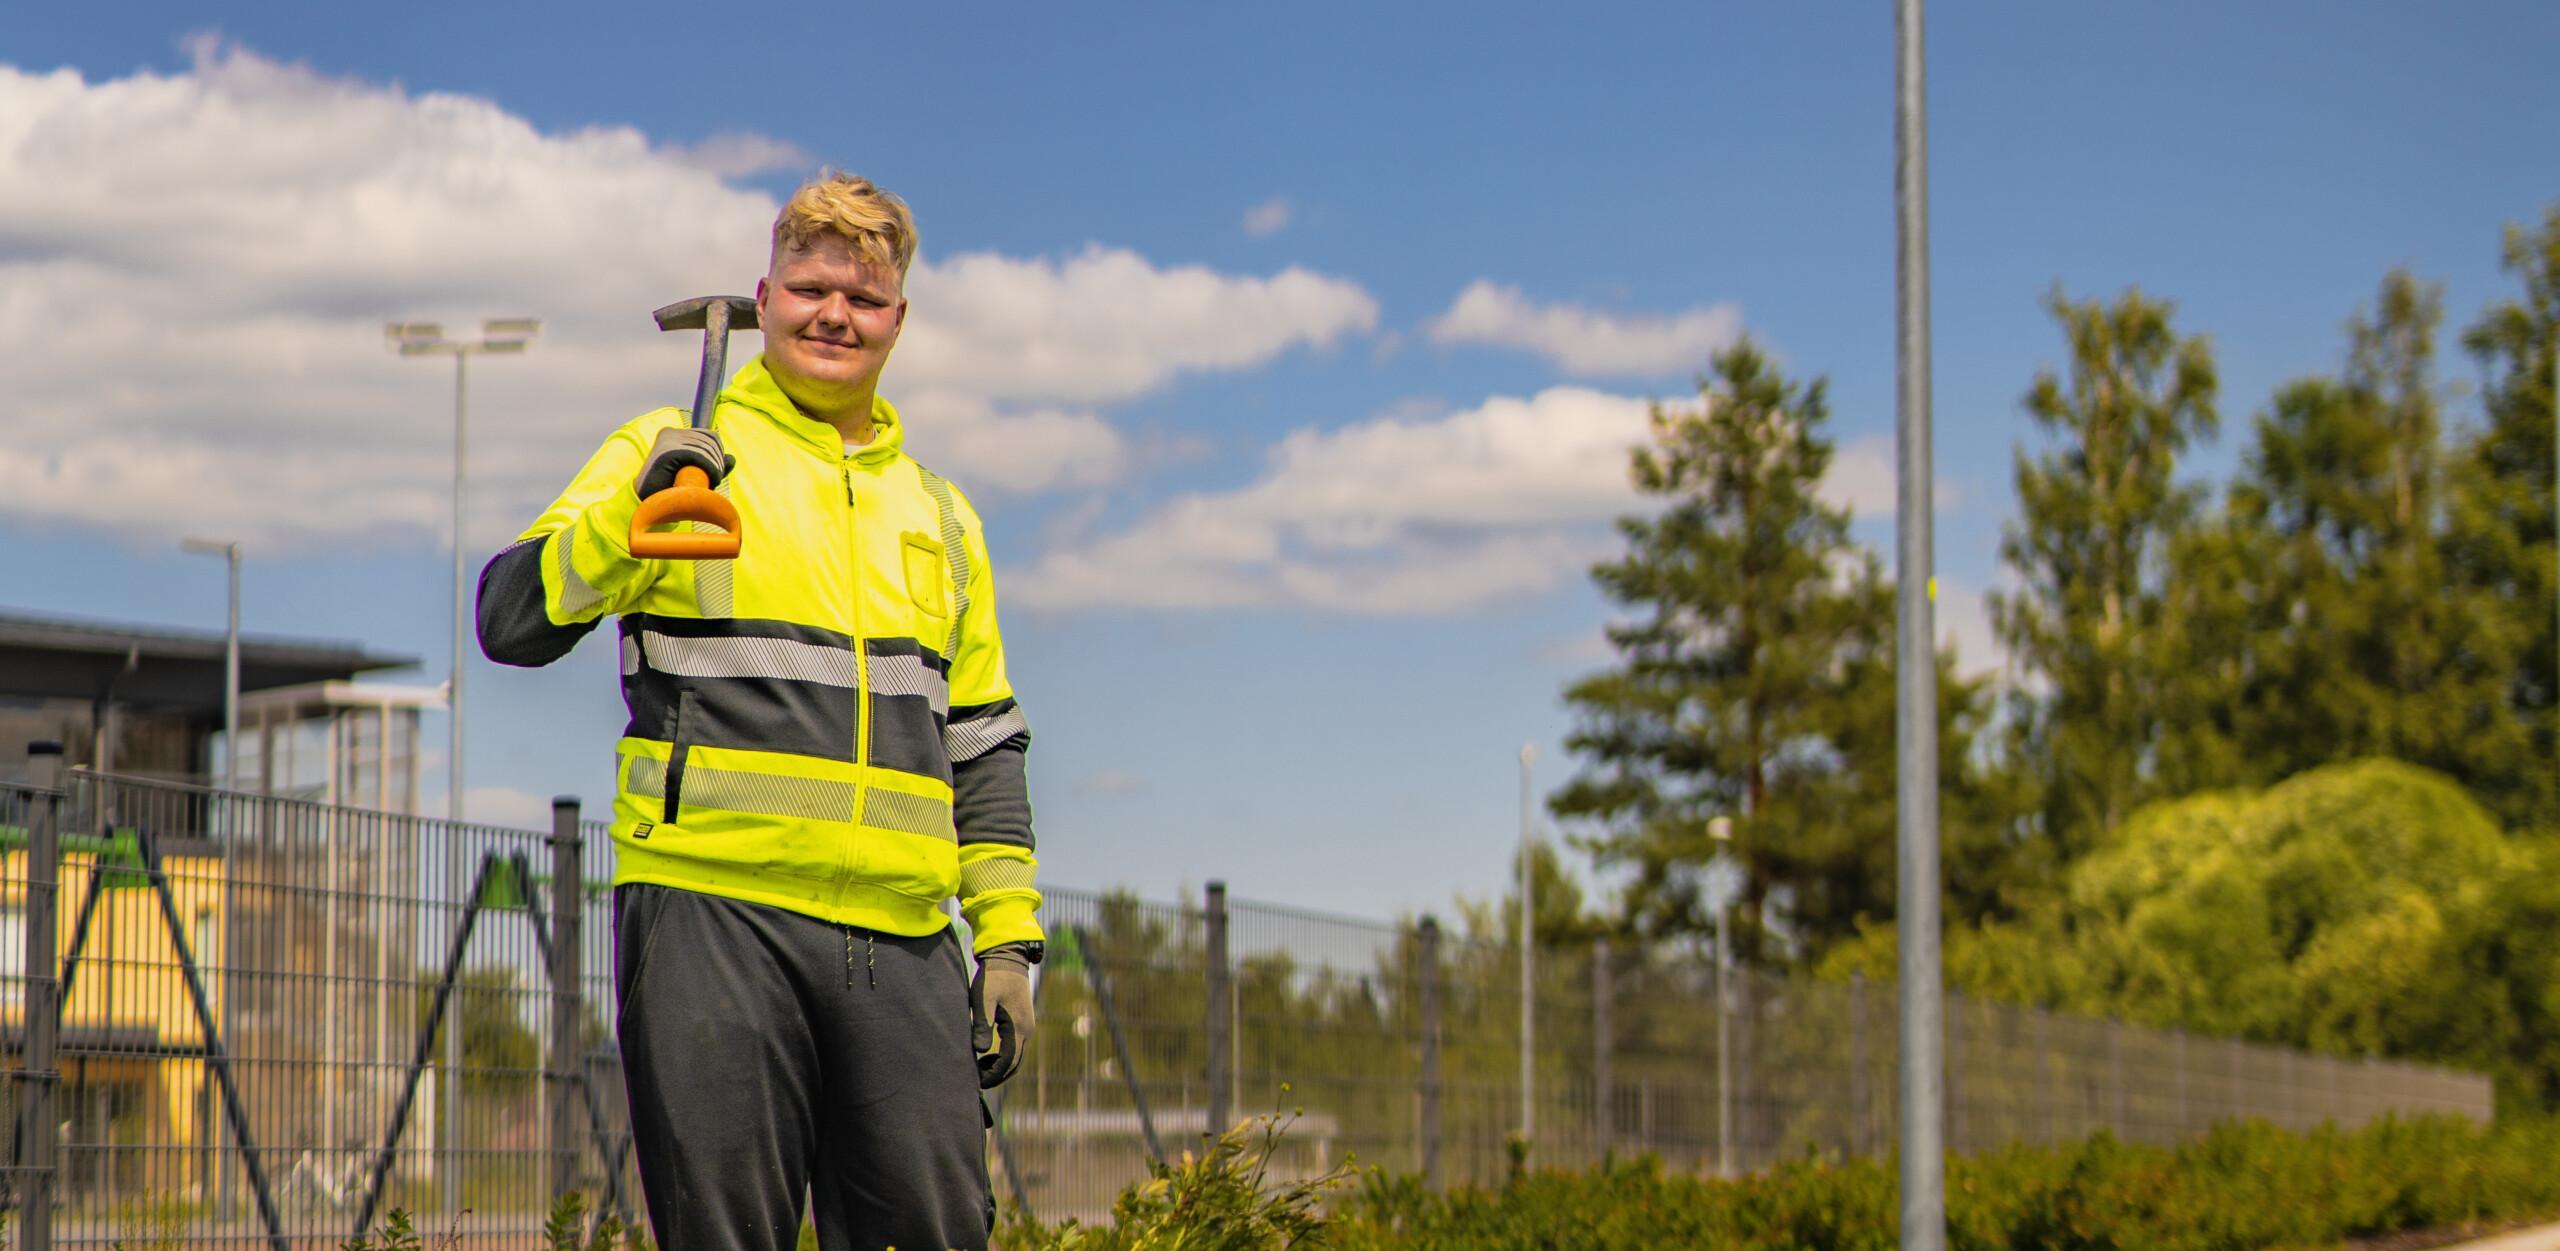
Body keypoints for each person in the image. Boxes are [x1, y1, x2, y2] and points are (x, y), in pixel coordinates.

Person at [477, 172, 1040, 1251]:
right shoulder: (672, 451)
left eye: (864, 300)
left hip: (903, 937)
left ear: (899, 320)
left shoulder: (943, 516)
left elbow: (983, 745)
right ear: (763, 298)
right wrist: (626, 532)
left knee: (937, 1226)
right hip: (708, 915)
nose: (835, 315)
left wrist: (1009, 948)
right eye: (809, 287)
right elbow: (510, 617)